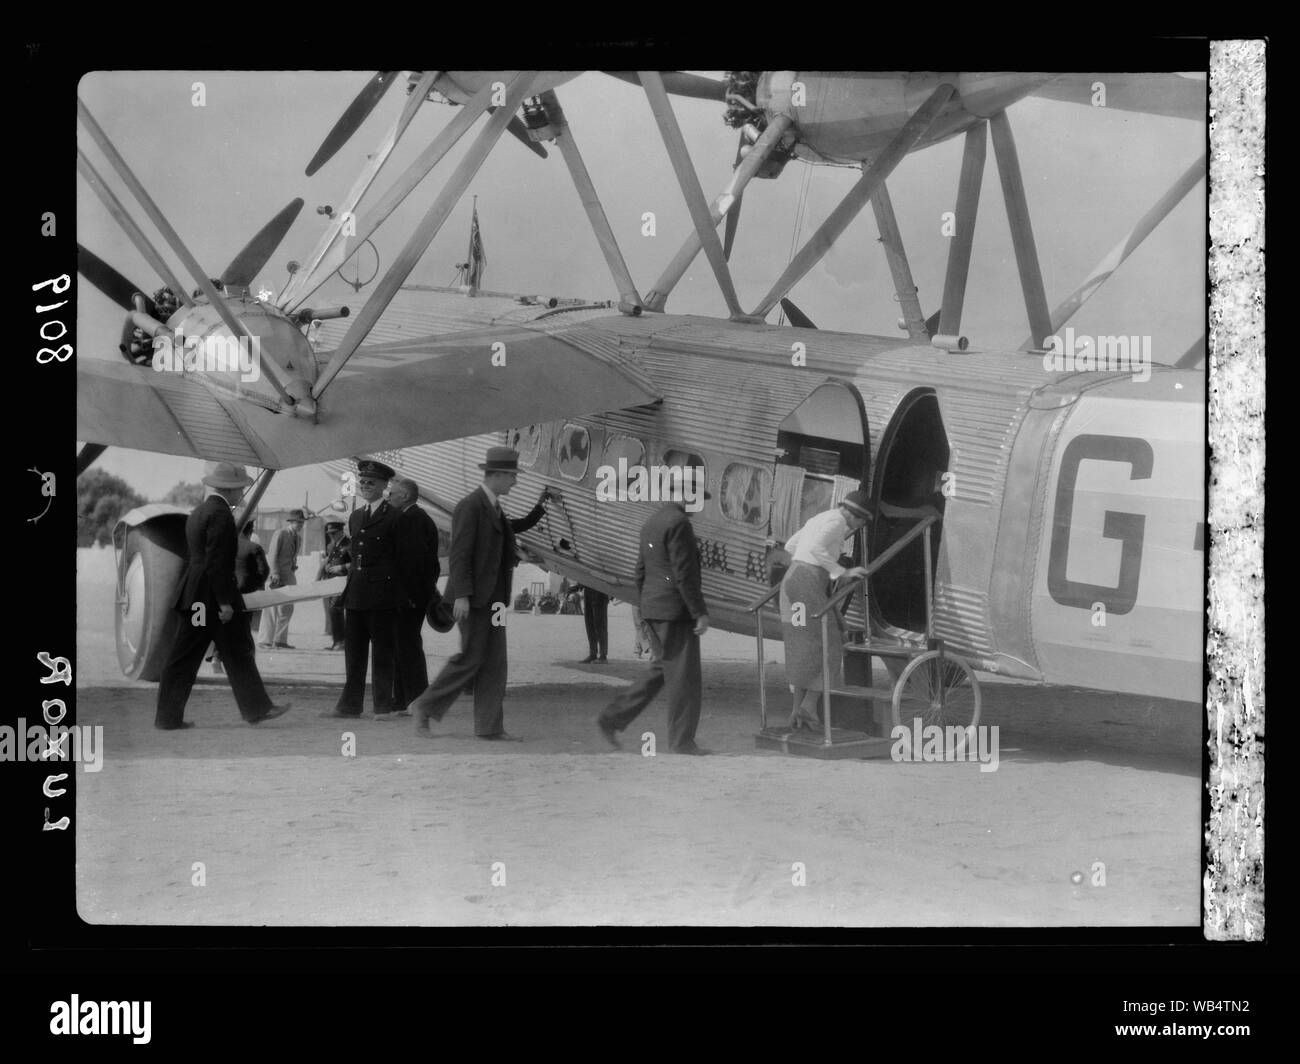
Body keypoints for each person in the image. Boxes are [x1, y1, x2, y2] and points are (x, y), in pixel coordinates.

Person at [410, 447, 548, 740]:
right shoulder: (470, 506)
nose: (515, 482)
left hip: (496, 600)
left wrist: (523, 557)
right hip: (473, 599)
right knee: (471, 657)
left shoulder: (495, 507)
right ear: (496, 475)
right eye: (512, 476)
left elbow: (496, 552)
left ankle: (489, 727)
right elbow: (461, 554)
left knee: (495, 662)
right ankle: (424, 706)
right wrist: (460, 595)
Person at [154, 463, 291, 730]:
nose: (242, 492)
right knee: (233, 650)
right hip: (212, 599)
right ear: (229, 488)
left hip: (195, 597)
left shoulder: (199, 512)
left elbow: (200, 558)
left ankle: (168, 718)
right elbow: (217, 562)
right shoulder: (220, 515)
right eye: (240, 487)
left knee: (191, 654)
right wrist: (225, 602)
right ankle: (257, 709)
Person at [596, 470, 711, 754]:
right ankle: (682, 742)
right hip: (676, 612)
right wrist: (699, 612)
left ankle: (612, 718)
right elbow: (685, 574)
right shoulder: (679, 523)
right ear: (687, 495)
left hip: (654, 608)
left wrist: (647, 604)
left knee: (660, 670)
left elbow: (640, 572)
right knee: (684, 679)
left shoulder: (651, 522)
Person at [778, 490, 874, 730]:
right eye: (862, 521)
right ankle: (809, 706)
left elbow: (792, 545)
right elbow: (816, 549)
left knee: (803, 644)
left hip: (792, 581)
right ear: (855, 515)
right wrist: (842, 572)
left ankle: (796, 711)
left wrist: (820, 569)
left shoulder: (820, 518)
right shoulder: (837, 521)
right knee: (829, 642)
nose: (860, 525)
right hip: (808, 582)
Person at [324, 460, 402, 719]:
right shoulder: (356, 516)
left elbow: (403, 558)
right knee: (353, 654)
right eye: (363, 482)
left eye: (371, 483)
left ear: (383, 486)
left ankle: (382, 707)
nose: (366, 486)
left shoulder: (394, 516)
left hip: (383, 595)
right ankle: (350, 705)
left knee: (382, 653)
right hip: (356, 593)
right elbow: (356, 555)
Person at [389, 476, 440, 716]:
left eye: (392, 494)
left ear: (406, 496)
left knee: (407, 646)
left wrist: (408, 594)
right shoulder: (416, 518)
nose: (388, 498)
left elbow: (414, 563)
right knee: (403, 645)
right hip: (415, 595)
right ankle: (403, 700)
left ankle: (416, 699)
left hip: (410, 597)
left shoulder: (412, 520)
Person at [259, 509, 305, 649]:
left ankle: (280, 640)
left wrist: (293, 566)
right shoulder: (280, 533)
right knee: (271, 608)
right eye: (298, 522)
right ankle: (265, 641)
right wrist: (274, 573)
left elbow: (292, 556)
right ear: (291, 522)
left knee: (287, 608)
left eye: (302, 522)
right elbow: (272, 555)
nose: (300, 525)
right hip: (276, 576)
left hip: (289, 576)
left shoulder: (298, 537)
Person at [317, 519, 350, 650]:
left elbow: (356, 563)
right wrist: (322, 572)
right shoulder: (332, 545)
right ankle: (337, 641)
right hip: (331, 582)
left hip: (343, 582)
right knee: (333, 611)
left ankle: (341, 642)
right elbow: (327, 561)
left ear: (341, 531)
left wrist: (341, 567)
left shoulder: (349, 544)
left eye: (334, 533)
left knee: (335, 609)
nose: (331, 536)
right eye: (329, 533)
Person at [580, 585, 609, 662]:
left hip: (600, 593)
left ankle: (603, 655)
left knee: (600, 625)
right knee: (589, 625)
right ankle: (593, 654)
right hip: (588, 591)